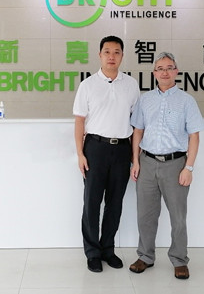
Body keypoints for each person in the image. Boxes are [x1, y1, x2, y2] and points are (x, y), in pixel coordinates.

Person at [129, 51, 204, 280]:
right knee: (145, 215)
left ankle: (179, 260)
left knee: (178, 217)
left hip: (176, 164)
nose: (164, 72)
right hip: (147, 163)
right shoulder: (145, 100)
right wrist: (136, 161)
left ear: (176, 72)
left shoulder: (187, 101)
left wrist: (188, 168)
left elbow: (194, 136)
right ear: (154, 73)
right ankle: (145, 256)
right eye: (160, 68)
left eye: (169, 68)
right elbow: (138, 131)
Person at [73, 35, 140, 273]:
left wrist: (135, 158)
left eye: (117, 52)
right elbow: (79, 122)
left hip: (122, 149)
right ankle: (92, 252)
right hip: (95, 148)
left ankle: (107, 249)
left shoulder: (131, 85)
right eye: (107, 52)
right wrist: (80, 154)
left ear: (122, 55)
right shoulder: (88, 85)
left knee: (115, 203)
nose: (112, 56)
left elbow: (137, 125)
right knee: (92, 202)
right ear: (100, 55)